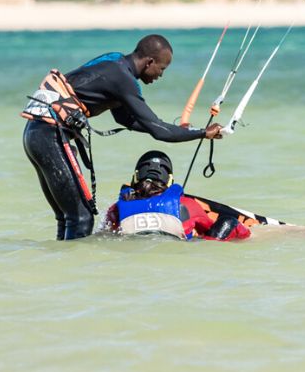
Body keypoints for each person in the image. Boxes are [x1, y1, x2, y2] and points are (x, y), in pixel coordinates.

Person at [21, 34, 222, 241]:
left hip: (35, 134)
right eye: (161, 69)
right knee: (82, 218)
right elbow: (159, 131)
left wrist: (180, 130)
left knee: (68, 217)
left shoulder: (114, 62)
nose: (160, 75)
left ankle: (62, 264)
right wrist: (202, 133)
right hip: (49, 136)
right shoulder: (123, 80)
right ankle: (77, 271)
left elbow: (128, 121)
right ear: (149, 62)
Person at [100, 150, 251, 241]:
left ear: (135, 177)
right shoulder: (186, 204)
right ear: (170, 180)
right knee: (227, 222)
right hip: (177, 251)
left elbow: (108, 234)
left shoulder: (116, 209)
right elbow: (208, 227)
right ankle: (253, 237)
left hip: (133, 251)